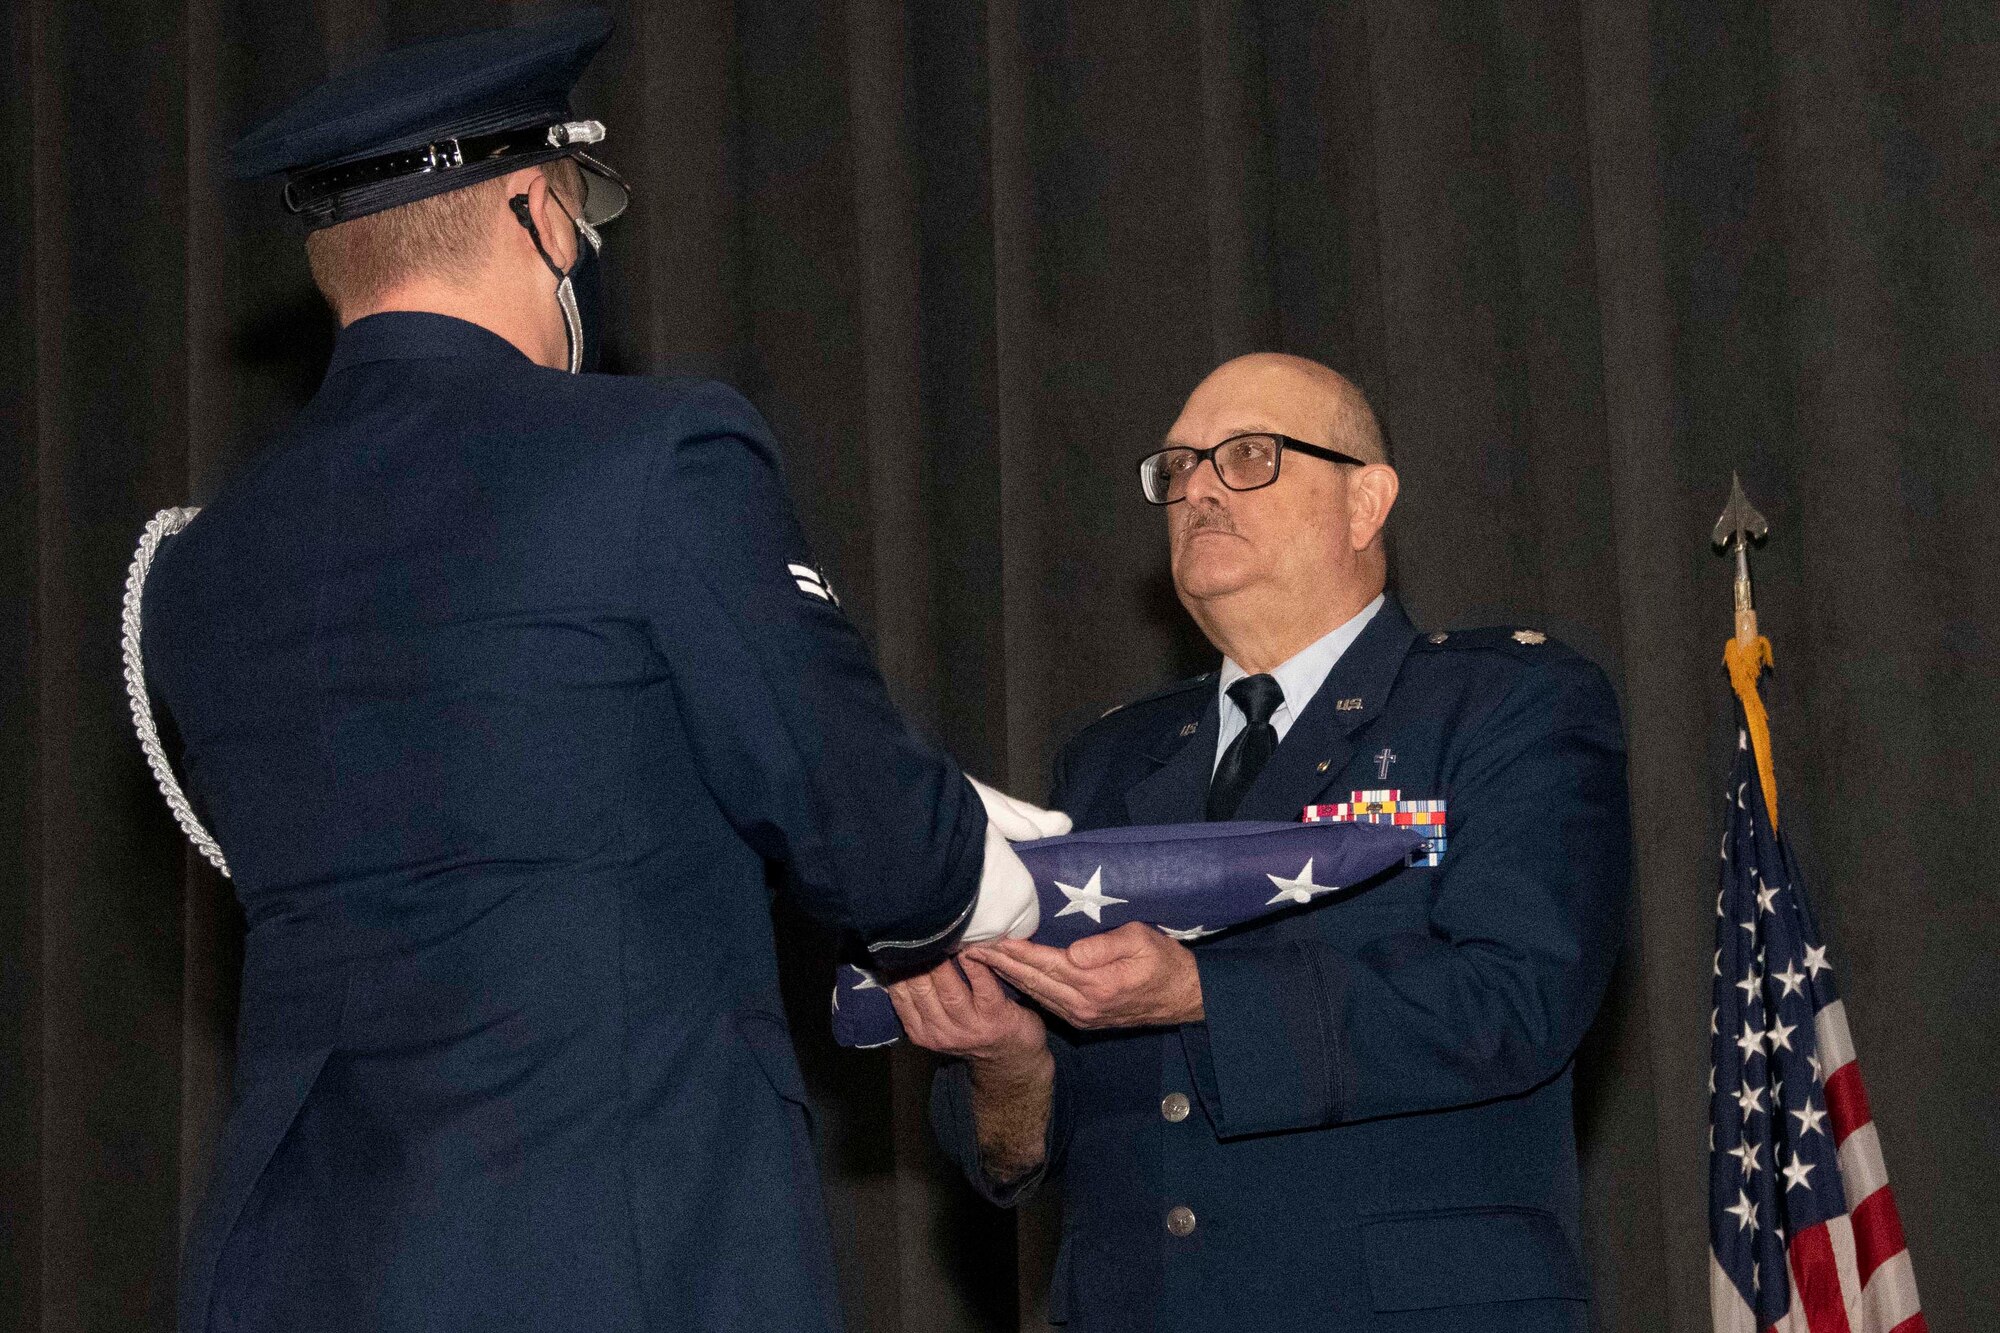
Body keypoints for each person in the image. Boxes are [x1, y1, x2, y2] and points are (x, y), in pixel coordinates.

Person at [132, 11, 1065, 1332]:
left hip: (301, 1261)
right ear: (533, 207)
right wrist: (993, 869)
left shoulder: (203, 565)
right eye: (589, 207)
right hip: (608, 1241)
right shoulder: (654, 455)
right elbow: (862, 825)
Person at [889, 353, 1631, 1332]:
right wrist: (1007, 1062)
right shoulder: (1109, 764)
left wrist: (1202, 995)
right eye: (1177, 466)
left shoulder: (1503, 706)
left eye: (1246, 456)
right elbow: (1026, 1144)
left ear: (1364, 503)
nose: (1195, 486)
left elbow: (1516, 998)